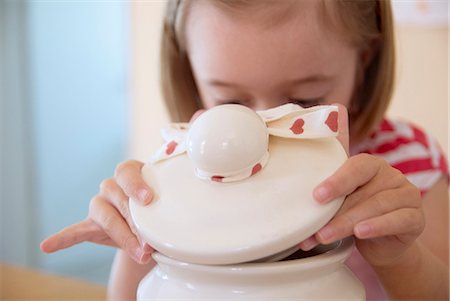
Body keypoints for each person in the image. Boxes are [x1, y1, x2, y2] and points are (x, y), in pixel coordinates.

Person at [40, 0, 449, 300]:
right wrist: (141, 230)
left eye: (304, 102)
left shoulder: (405, 163)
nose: (256, 130)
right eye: (230, 102)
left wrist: (399, 257)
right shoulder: (181, 175)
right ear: (190, 72)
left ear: (365, 62)